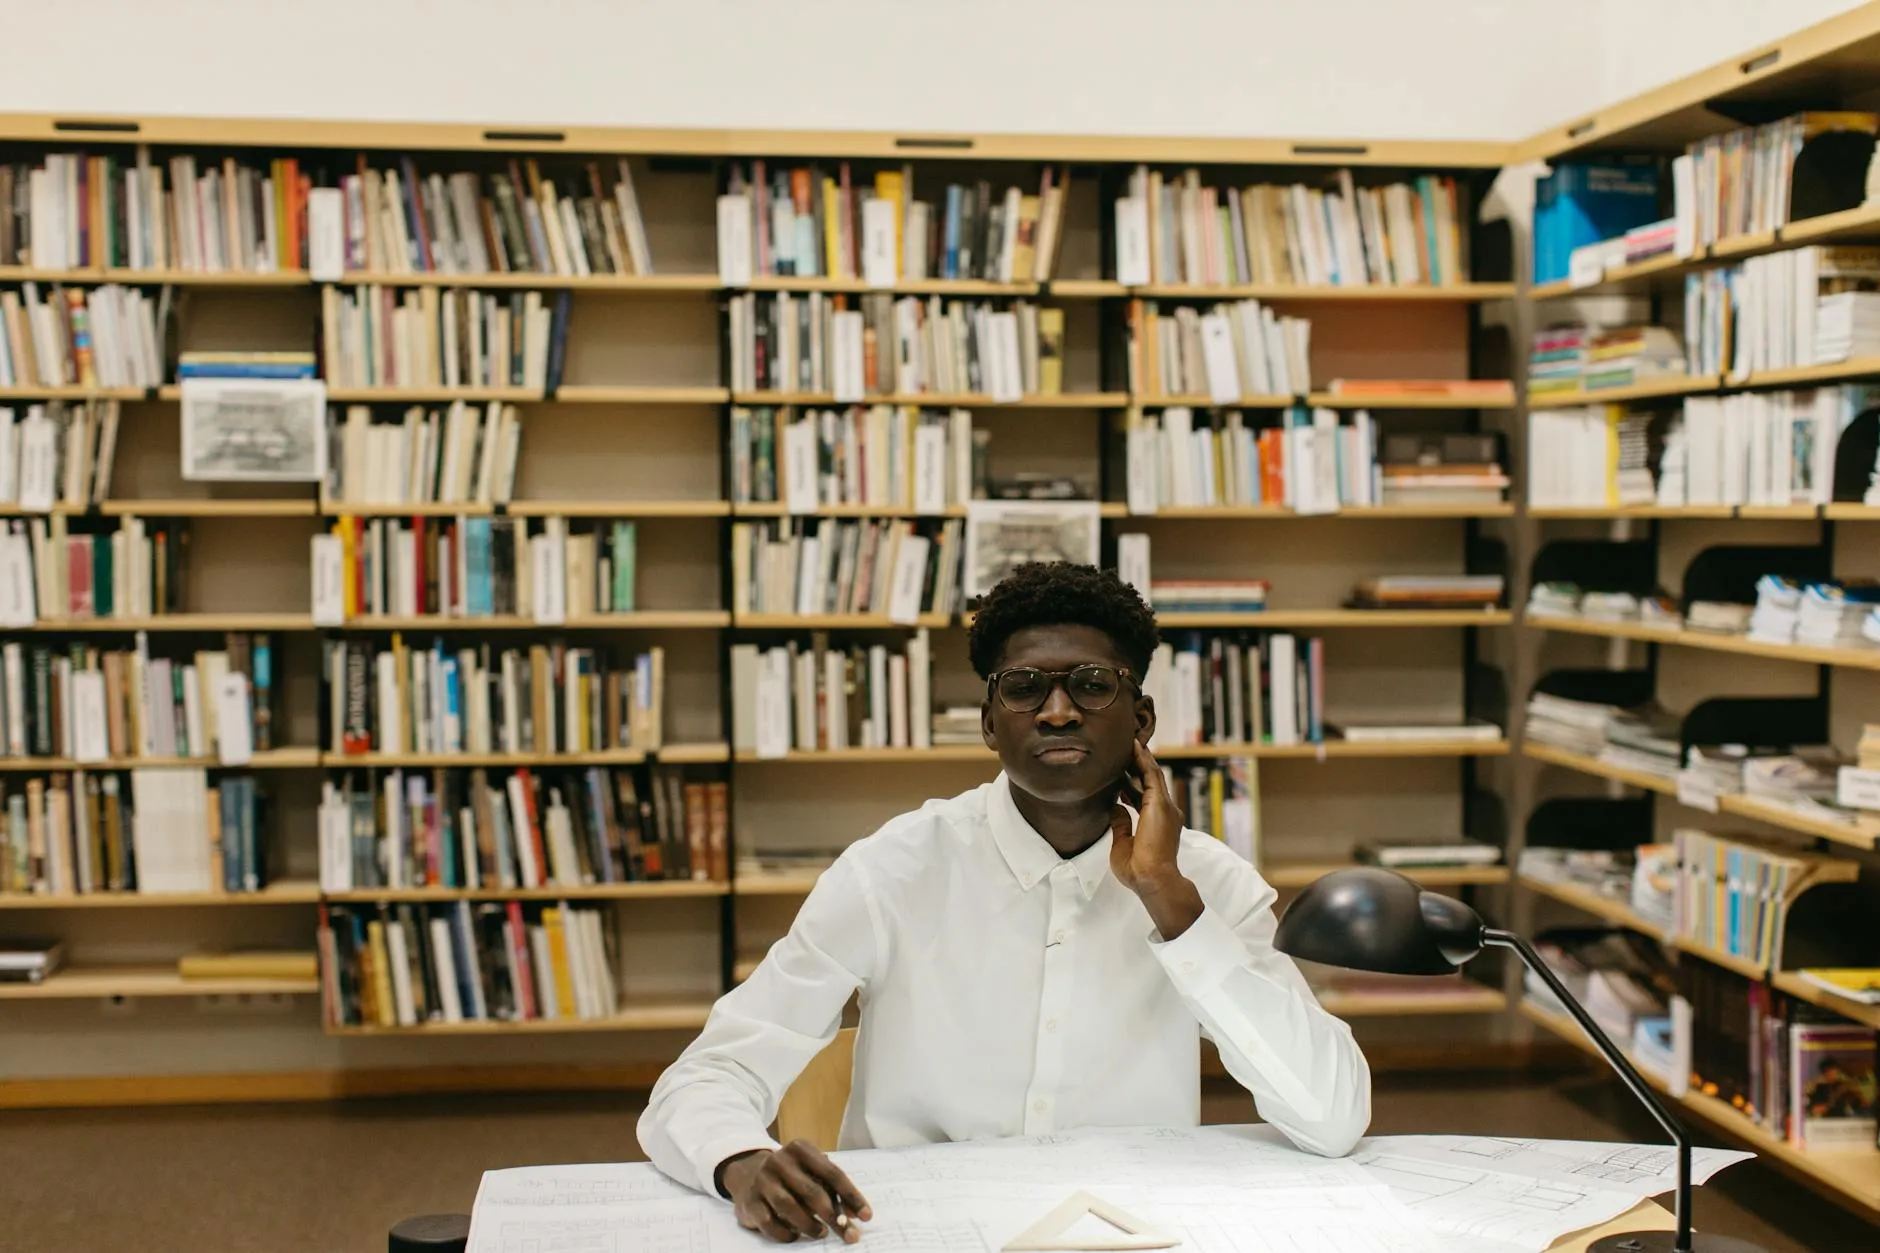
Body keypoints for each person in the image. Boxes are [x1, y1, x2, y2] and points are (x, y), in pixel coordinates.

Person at [638, 562, 1371, 1242]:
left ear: (1141, 718)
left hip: (1128, 1231)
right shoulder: (892, 870)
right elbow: (705, 1076)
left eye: (1090, 684)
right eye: (1024, 687)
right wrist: (740, 1159)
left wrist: (1175, 907)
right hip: (917, 1232)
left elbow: (1331, 1115)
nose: (1057, 711)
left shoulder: (1207, 883)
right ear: (991, 722)